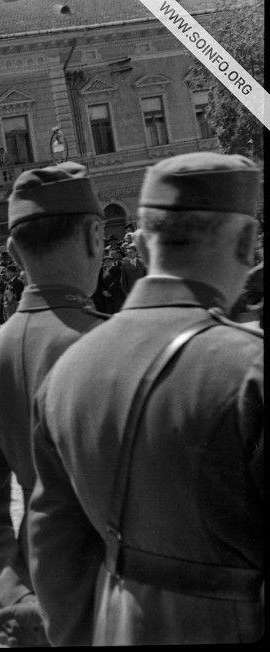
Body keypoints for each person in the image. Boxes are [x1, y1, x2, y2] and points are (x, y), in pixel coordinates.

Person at [28, 152, 264, 645]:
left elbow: (54, 554)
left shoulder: (66, 371)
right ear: (247, 242)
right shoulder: (248, 367)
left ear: (137, 244)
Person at [0, 162, 107, 648]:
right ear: (96, 235)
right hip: (117, 593)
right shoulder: (112, 344)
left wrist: (11, 597)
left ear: (14, 251)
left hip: (36, 593)